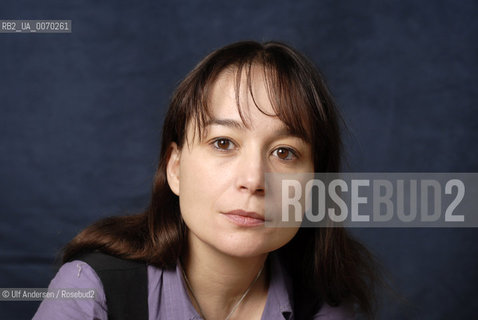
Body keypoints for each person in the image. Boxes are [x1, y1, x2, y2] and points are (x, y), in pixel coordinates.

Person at [33, 41, 378, 319]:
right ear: (175, 169)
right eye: (223, 143)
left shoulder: (324, 306)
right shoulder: (91, 291)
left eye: (284, 152)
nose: (253, 180)